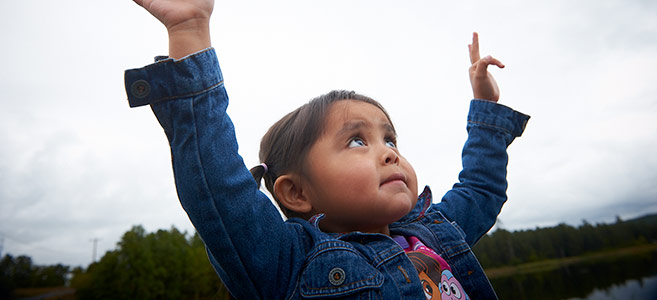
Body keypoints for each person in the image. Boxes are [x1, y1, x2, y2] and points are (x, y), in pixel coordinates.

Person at [125, 0, 530, 299]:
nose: (390, 153)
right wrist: (190, 31)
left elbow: (481, 189)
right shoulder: (288, 262)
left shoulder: (435, 231)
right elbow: (218, 188)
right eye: (357, 141)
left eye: (390, 139)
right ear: (297, 193)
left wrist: (486, 108)